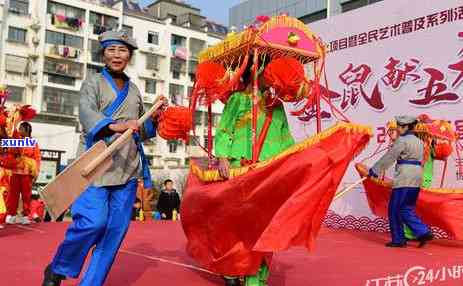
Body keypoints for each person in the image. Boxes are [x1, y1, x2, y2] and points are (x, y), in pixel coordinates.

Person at [42, 30, 167, 286]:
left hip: (127, 169)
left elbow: (140, 130)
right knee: (92, 222)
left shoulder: (133, 91)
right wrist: (115, 126)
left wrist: (153, 119)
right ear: (104, 53)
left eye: (122, 50)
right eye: (111, 50)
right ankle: (58, 266)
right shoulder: (93, 82)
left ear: (130, 55)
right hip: (94, 165)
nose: (116, 55)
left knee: (113, 233)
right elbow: (86, 114)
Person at [215, 56, 295, 286]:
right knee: (238, 223)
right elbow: (225, 130)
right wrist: (222, 157)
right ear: (254, 70)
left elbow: (285, 137)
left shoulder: (276, 105)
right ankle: (232, 268)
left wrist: (293, 162)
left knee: (264, 226)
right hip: (240, 169)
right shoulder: (238, 100)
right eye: (266, 70)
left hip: (269, 173)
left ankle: (256, 277)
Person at [369, 115, 433, 248]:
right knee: (406, 208)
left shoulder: (402, 141)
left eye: (399, 126)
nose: (397, 129)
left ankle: (400, 239)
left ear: (406, 126)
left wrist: (375, 170)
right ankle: (422, 232)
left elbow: (390, 157)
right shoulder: (419, 141)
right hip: (416, 177)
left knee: (395, 209)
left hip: (404, 177)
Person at [5, 121, 40, 225]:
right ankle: (11, 214)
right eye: (19, 128)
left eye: (21, 129)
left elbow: (37, 158)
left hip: (27, 174)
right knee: (12, 195)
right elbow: (7, 150)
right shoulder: (16, 140)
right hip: (15, 173)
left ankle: (25, 215)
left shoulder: (33, 142)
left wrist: (36, 172)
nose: (19, 130)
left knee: (26, 196)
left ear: (27, 130)